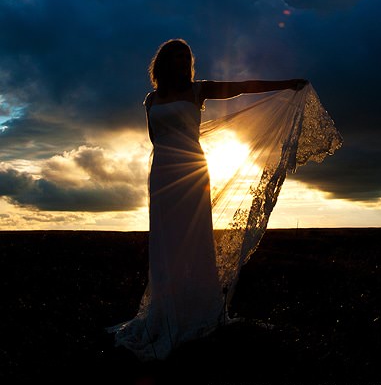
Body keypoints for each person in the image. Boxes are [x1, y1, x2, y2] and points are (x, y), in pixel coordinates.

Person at [108, 38, 312, 361]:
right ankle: (166, 310)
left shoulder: (198, 91)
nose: (179, 62)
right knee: (166, 244)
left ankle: (197, 311)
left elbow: (243, 86)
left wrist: (286, 84)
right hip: (162, 177)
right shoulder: (151, 100)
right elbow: (156, 140)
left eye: (184, 57)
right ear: (162, 62)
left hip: (192, 173)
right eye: (173, 56)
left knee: (194, 241)